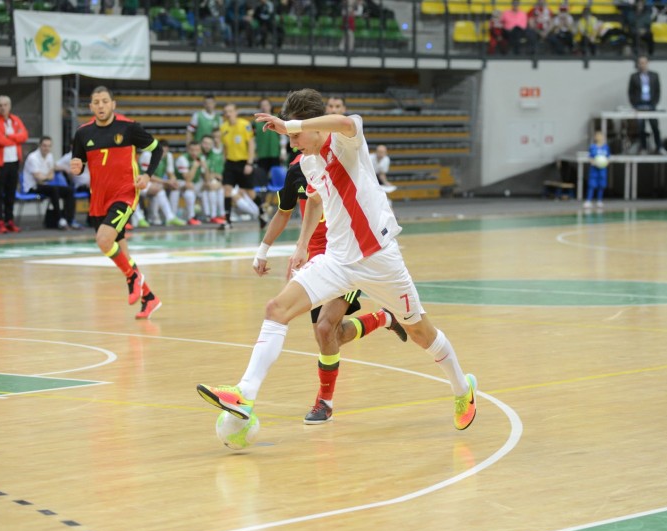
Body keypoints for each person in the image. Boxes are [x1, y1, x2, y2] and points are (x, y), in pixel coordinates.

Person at [196, 87, 478, 433]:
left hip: (379, 260)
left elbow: (343, 120)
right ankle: (245, 393)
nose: (293, 143)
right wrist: (301, 245)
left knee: (420, 331)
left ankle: (462, 390)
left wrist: (291, 124)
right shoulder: (309, 162)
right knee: (276, 309)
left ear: (313, 126)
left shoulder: (346, 141)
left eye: (297, 136)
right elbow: (315, 200)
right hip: (336, 261)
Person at [252, 150, 408, 423]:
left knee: (325, 328)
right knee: (329, 337)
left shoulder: (341, 161)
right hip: (318, 265)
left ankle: (324, 402)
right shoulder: (296, 172)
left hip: (347, 258)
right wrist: (262, 251)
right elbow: (283, 212)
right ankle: (383, 318)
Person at [70, 86, 164, 320]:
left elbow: (157, 149)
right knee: (119, 252)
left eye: (104, 101)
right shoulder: (83, 133)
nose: (100, 106)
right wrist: (76, 167)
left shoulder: (128, 127)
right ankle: (149, 297)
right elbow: (78, 162)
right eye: (96, 102)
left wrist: (147, 175)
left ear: (113, 104)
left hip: (124, 194)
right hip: (98, 199)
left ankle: (132, 277)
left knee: (103, 240)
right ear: (91, 107)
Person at [0, 95, 29, 234]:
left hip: (14, 161)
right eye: (0, 105)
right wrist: (15, 138)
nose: (3, 107)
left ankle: (9, 220)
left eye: (5, 105)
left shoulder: (15, 120)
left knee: (11, 192)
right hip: (0, 163)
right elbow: (0, 141)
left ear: (9, 106)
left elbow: (24, 135)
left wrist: (9, 136)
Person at [219, 102, 263, 229]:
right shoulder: (223, 128)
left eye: (230, 111)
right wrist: (224, 161)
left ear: (236, 112)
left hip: (243, 163)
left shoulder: (245, 125)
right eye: (226, 112)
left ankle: (262, 213)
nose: (228, 114)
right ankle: (227, 221)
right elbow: (225, 147)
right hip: (230, 163)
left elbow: (251, 145)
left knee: (249, 191)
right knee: (227, 189)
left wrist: (250, 163)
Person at [22, 136, 81, 230]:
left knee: (69, 190)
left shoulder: (49, 155)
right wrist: (48, 175)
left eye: (49, 146)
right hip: (32, 187)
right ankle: (60, 220)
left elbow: (51, 174)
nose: (47, 148)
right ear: (40, 145)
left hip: (45, 185)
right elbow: (39, 179)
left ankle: (70, 220)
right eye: (44, 146)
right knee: (54, 189)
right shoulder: (32, 158)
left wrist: (49, 175)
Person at [627, 56, 665, 155]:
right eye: (640, 63)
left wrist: (655, 103)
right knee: (641, 127)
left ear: (648, 63)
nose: (642, 65)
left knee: (655, 127)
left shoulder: (654, 75)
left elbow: (657, 90)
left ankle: (659, 147)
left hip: (651, 104)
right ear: (638, 64)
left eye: (644, 62)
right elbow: (630, 92)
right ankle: (643, 148)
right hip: (639, 105)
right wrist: (634, 104)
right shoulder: (634, 76)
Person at [175, 140, 205, 225]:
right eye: (192, 150)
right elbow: (187, 179)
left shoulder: (201, 158)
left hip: (195, 183)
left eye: (197, 150)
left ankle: (210, 215)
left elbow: (206, 178)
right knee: (189, 193)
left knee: (210, 188)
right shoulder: (182, 159)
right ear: (188, 150)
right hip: (180, 183)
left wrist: (205, 167)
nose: (194, 152)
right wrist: (195, 167)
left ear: (200, 150)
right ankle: (191, 217)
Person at [584, 130, 610, 208]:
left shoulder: (606, 147)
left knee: (601, 185)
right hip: (594, 169)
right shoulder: (593, 147)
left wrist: (605, 163)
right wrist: (594, 162)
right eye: (597, 136)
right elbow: (590, 157)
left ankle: (599, 200)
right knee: (592, 185)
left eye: (600, 135)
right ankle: (588, 200)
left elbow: (608, 158)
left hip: (602, 169)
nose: (599, 137)